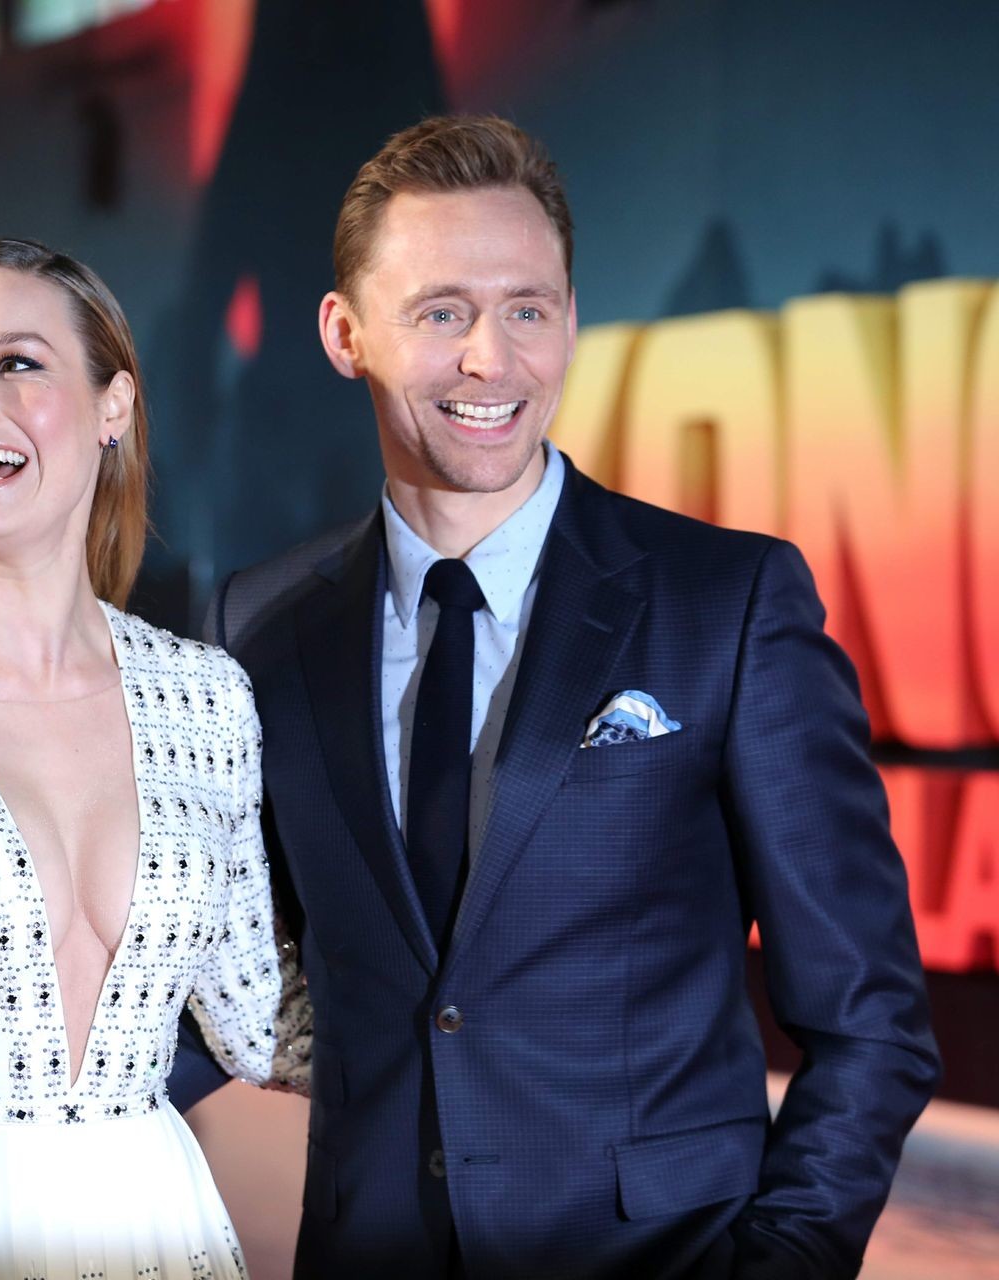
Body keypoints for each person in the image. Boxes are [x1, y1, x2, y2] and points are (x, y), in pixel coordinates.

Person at [183, 115, 940, 1277]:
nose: (491, 359)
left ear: (572, 321)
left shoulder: (727, 603)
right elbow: (195, 948)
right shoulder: (258, 624)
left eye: (528, 310)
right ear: (345, 334)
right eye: (442, 313)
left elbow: (870, 1022)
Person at [0, 238, 307, 1280]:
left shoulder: (205, 697)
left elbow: (258, 1023)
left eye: (15, 362)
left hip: (154, 1218)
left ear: (114, 405)